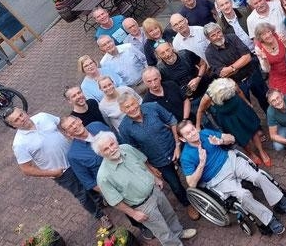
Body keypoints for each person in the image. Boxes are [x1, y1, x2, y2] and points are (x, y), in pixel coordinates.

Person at [178, 121, 286, 236]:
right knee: (243, 195)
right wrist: (201, 163)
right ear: (183, 139)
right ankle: (269, 219)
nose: (193, 133)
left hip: (231, 161)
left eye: (192, 129)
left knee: (257, 176)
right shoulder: (186, 157)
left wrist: (220, 141)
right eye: (188, 133)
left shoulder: (205, 133)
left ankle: (282, 202)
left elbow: (232, 138)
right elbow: (191, 184)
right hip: (218, 179)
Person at [5, 107, 113, 230]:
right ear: (13, 125)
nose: (21, 119)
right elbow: (26, 169)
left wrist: (75, 138)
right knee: (82, 193)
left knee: (91, 181)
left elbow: (62, 125)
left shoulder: (43, 116)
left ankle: (100, 201)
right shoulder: (19, 144)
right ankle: (100, 215)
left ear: (24, 112)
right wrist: (52, 173)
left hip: (77, 159)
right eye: (16, 120)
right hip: (63, 172)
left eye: (21, 114)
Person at [93, 131, 197, 245]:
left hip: (155, 191)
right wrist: (133, 214)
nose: (111, 149)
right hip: (142, 206)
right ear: (101, 154)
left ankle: (179, 233)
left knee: (170, 215)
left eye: (112, 144)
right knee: (162, 231)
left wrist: (155, 178)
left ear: (116, 141)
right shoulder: (103, 176)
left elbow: (142, 162)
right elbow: (115, 202)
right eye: (106, 149)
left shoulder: (126, 148)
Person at [59, 117, 153, 241]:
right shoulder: (74, 155)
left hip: (130, 170)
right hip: (116, 187)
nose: (74, 126)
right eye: (70, 127)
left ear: (79, 120)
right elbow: (89, 182)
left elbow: (120, 142)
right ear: (68, 134)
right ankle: (142, 226)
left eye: (74, 122)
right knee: (131, 208)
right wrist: (113, 192)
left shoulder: (97, 125)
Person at [117, 93, 201, 221]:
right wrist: (150, 168)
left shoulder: (153, 107)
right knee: (176, 186)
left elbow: (172, 121)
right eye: (127, 107)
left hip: (175, 148)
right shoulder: (124, 128)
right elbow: (134, 151)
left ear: (137, 101)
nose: (132, 108)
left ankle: (204, 193)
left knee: (195, 171)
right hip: (158, 161)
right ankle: (188, 204)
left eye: (133, 104)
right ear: (122, 110)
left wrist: (177, 144)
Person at [193, 78, 270, 166]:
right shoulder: (209, 96)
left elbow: (239, 92)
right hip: (227, 118)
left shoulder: (230, 83)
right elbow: (200, 110)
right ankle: (251, 154)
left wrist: (247, 103)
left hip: (240, 109)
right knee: (240, 137)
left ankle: (261, 151)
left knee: (253, 130)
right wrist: (198, 127)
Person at [203, 23, 269, 111]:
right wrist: (241, 63)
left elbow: (247, 57)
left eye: (218, 32)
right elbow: (223, 74)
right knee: (245, 108)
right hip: (236, 83)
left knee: (265, 99)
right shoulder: (209, 53)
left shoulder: (232, 37)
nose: (218, 36)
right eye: (213, 35)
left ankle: (272, 118)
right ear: (208, 38)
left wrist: (231, 69)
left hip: (252, 74)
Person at [155, 42, 211, 121]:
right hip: (190, 100)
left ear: (172, 47)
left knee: (218, 114)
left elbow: (203, 64)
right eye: (162, 53)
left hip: (205, 90)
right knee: (204, 122)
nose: (167, 54)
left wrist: (198, 78)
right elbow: (167, 90)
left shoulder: (185, 54)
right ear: (158, 56)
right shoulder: (160, 70)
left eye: (167, 50)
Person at [253, 23, 286, 96]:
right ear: (260, 37)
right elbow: (266, 70)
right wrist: (264, 59)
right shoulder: (258, 48)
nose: (268, 35)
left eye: (268, 31)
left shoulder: (279, 36)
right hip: (278, 80)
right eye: (264, 34)